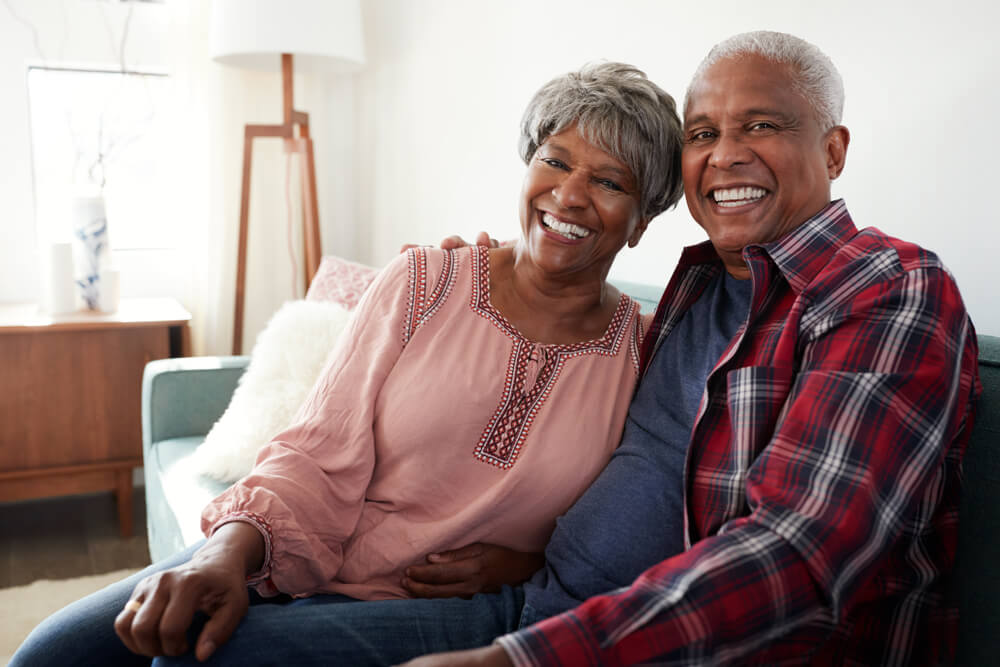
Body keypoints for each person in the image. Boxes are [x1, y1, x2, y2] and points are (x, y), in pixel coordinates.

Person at [10, 62, 686, 667]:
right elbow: (317, 449)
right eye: (555, 160)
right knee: (51, 653)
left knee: (191, 657)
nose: (568, 195)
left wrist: (530, 561)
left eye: (607, 181)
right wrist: (227, 550)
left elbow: (626, 531)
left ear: (642, 220)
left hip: (434, 603)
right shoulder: (425, 280)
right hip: (298, 536)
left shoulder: (644, 353)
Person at [399, 31, 981, 666]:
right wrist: (473, 287)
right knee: (270, 637)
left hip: (636, 651)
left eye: (760, 125)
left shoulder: (886, 288)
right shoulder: (695, 291)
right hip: (535, 605)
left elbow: (799, 557)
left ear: (833, 150)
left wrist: (518, 660)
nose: (725, 156)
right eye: (702, 134)